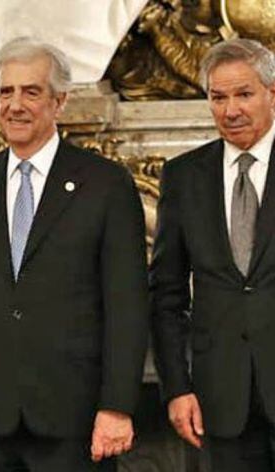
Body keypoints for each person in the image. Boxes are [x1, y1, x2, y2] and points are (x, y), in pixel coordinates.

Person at [0, 37, 149, 471]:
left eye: (31, 92)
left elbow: (127, 304)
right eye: (6, 92)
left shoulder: (105, 185)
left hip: (76, 416)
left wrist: (117, 407)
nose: (15, 105)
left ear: (60, 101)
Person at [151, 38, 275, 470]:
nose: (231, 109)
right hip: (217, 402)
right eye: (218, 97)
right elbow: (166, 295)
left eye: (244, 94)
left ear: (271, 94)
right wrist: (177, 388)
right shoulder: (184, 176)